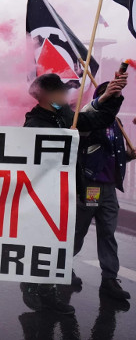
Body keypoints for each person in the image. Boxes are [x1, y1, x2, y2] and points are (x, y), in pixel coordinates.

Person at [20, 73, 127, 315]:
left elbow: (97, 118)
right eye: (60, 90)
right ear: (46, 96)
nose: (65, 94)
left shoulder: (65, 114)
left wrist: (113, 96)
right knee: (44, 242)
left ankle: (48, 294)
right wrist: (65, 138)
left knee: (57, 242)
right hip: (44, 196)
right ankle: (31, 287)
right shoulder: (34, 123)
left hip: (64, 192)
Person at [72, 81, 132, 301]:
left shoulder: (116, 123)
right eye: (110, 97)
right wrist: (103, 99)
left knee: (108, 233)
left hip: (109, 189)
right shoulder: (89, 119)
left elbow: (113, 156)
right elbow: (82, 127)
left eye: (117, 98)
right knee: (78, 230)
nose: (114, 102)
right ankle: (61, 268)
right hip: (91, 186)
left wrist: (129, 156)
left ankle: (109, 280)